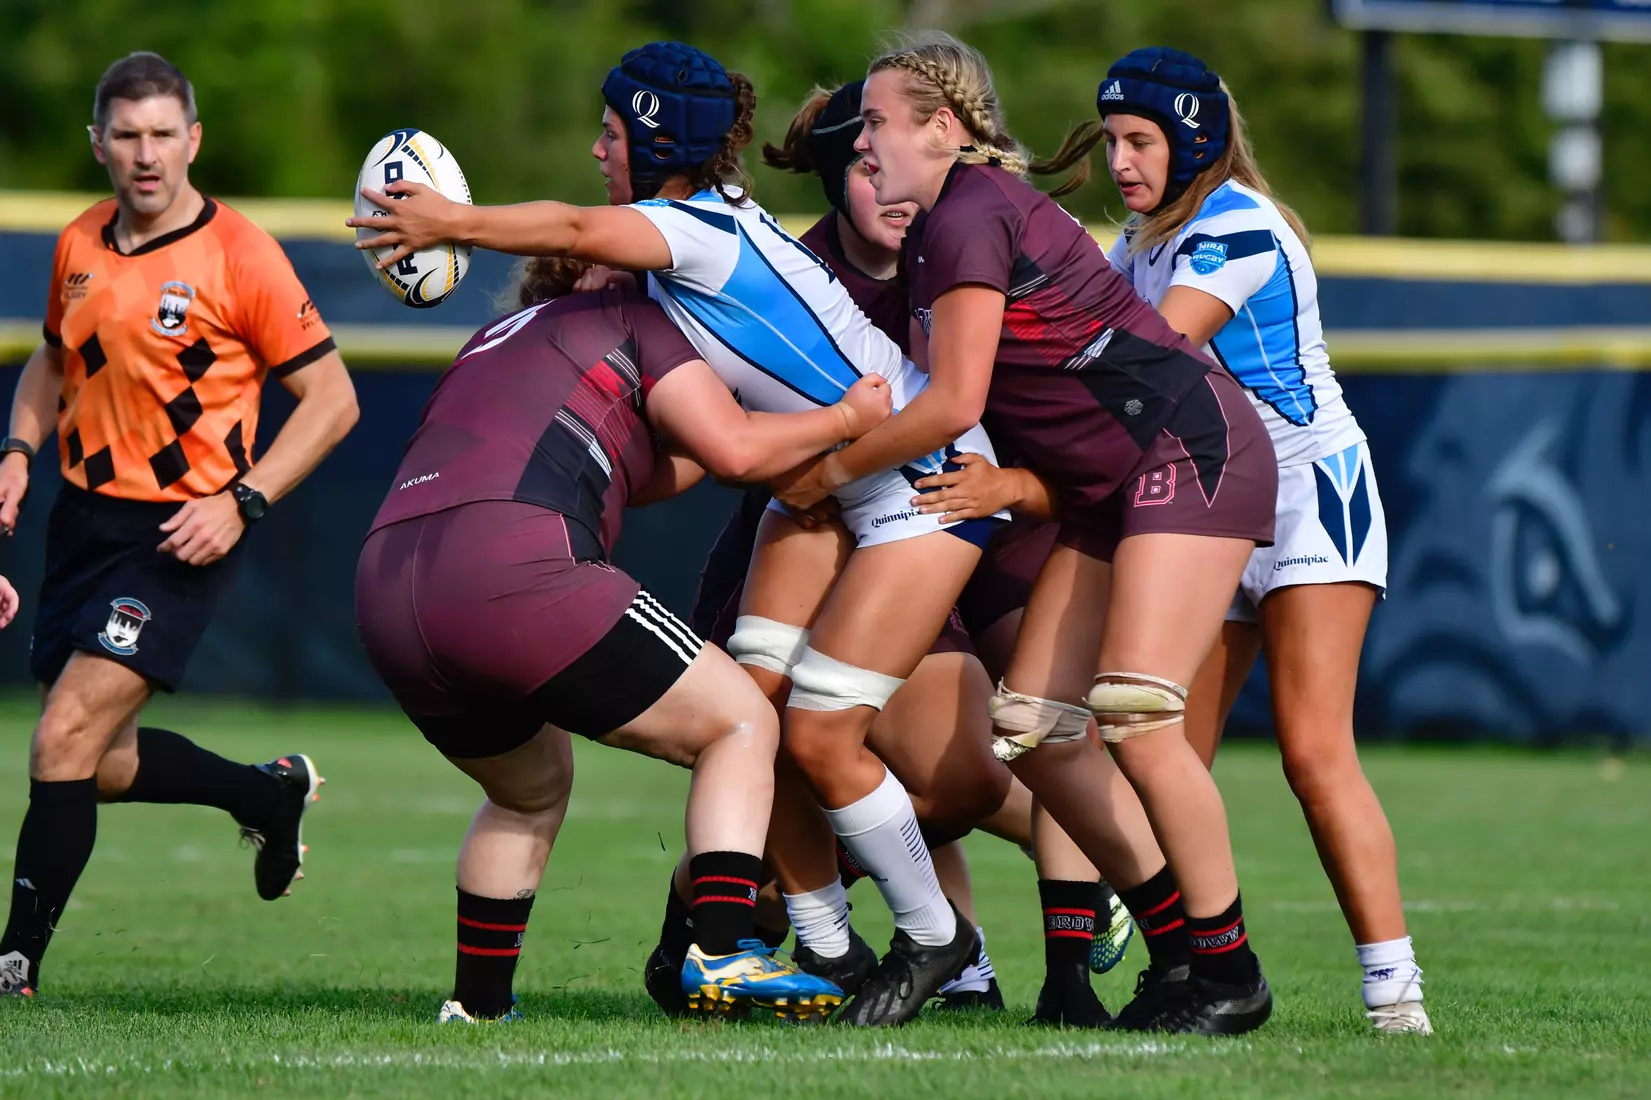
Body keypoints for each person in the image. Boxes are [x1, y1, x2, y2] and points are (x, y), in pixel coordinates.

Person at [348, 42, 1008, 1026]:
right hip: (832, 481)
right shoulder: (677, 264)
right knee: (763, 711)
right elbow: (703, 455)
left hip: (914, 475)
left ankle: (933, 935)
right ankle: (826, 942)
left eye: (611, 133)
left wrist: (451, 222)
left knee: (812, 728)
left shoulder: (692, 227)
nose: (595, 149)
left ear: (655, 142)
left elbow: (577, 230)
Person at [774, 32, 1279, 1035]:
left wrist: (824, 471)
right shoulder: (942, 227)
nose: (860, 142)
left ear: (941, 127)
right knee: (1036, 732)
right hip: (1108, 483)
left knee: (1134, 709)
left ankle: (1228, 970)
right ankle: (1178, 946)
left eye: (876, 121)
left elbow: (953, 397)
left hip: (1190, 447)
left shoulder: (965, 214)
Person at [356, 256, 888, 1022]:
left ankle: (477, 1008)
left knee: (527, 791)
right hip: (509, 564)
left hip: (387, 585)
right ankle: (726, 950)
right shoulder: (629, 315)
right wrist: (845, 421)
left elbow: (652, 470)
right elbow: (732, 450)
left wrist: (737, 435)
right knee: (741, 720)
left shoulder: (495, 339)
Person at [1040, 46, 1424, 1034]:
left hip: (1304, 495)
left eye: (1140, 139)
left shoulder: (1237, 224)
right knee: (1154, 744)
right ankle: (1194, 964)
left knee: (1311, 750)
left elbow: (1149, 352)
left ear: (1194, 138)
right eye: (1114, 139)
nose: (1121, 160)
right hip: (1203, 501)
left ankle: (1394, 994)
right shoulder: (1140, 234)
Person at [0, 52, 359, 999]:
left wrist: (242, 503)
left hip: (181, 533)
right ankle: (264, 793)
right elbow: (49, 363)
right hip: (81, 523)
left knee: (61, 738)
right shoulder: (79, 241)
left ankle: (12, 969)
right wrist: (16, 452)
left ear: (193, 140)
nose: (146, 154)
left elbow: (332, 400)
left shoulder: (241, 254)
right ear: (99, 145)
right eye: (127, 135)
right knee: (96, 761)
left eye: (164, 133)